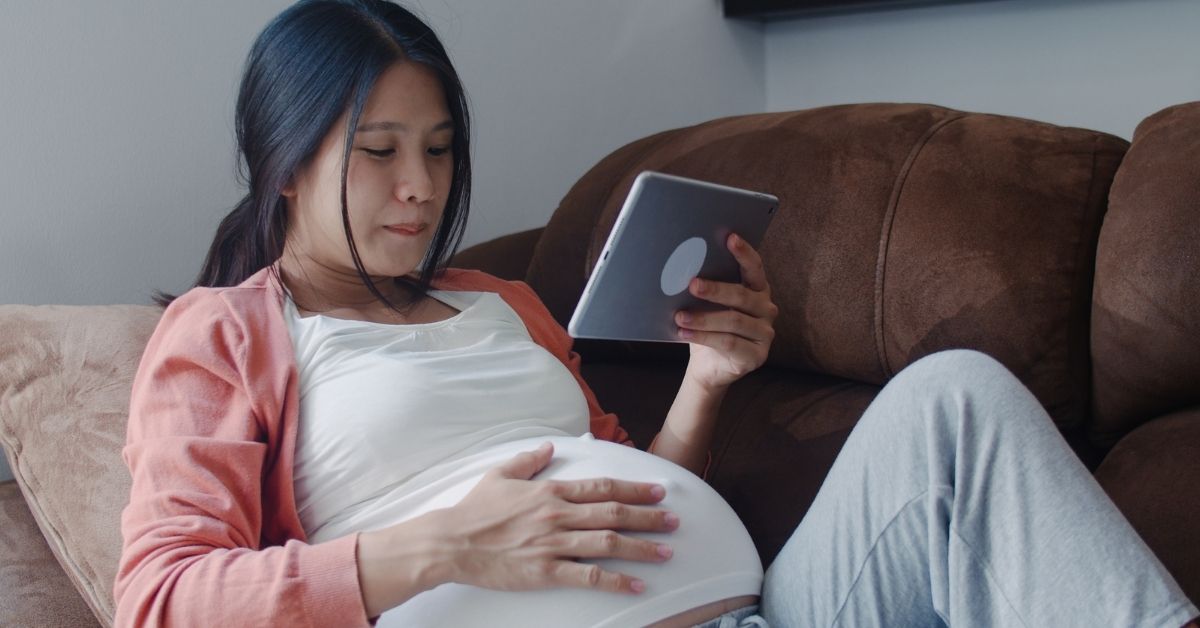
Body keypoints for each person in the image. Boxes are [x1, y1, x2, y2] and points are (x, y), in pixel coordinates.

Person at [114, 1, 1199, 626]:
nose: (421, 189)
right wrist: (444, 546)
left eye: (440, 151)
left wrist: (707, 389)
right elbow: (160, 598)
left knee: (955, 398)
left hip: (755, 611)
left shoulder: (506, 304)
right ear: (285, 165)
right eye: (380, 153)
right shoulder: (227, 331)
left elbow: (643, 497)